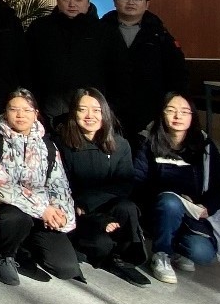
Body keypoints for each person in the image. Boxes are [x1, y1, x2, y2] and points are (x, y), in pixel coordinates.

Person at [0, 88, 83, 286]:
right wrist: (42, 209)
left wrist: (61, 214)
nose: (20, 115)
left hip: (42, 213)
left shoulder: (48, 146)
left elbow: (59, 183)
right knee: (16, 218)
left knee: (66, 268)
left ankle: (26, 247)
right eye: (14, 109)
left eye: (27, 110)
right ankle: (5, 255)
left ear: (36, 113)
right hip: (8, 207)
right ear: (5, 112)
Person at [134, 93, 220, 284]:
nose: (178, 116)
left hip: (191, 216)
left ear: (192, 116)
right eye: (171, 110)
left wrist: (207, 207)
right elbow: (136, 182)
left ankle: (176, 247)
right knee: (170, 202)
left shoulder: (203, 144)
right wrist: (170, 196)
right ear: (162, 114)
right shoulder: (148, 140)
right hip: (157, 211)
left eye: (184, 112)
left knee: (202, 254)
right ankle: (161, 254)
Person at [56, 88, 150, 286]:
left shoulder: (120, 144)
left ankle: (123, 257)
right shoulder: (62, 144)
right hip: (76, 212)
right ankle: (100, 250)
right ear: (74, 113)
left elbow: (124, 184)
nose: (89, 116)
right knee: (101, 245)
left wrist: (91, 203)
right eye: (83, 110)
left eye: (96, 110)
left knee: (127, 208)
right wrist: (91, 213)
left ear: (105, 113)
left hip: (104, 206)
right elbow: (62, 186)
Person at [103, 0, 188, 135]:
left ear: (147, 4)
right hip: (107, 107)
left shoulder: (160, 35)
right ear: (115, 1)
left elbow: (177, 72)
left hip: (149, 110)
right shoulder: (99, 31)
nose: (131, 2)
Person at [26, 0, 108, 121]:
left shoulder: (104, 31)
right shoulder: (40, 28)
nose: (72, 4)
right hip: (48, 106)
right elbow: (27, 65)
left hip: (91, 108)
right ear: (57, 0)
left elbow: (116, 70)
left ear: (88, 3)